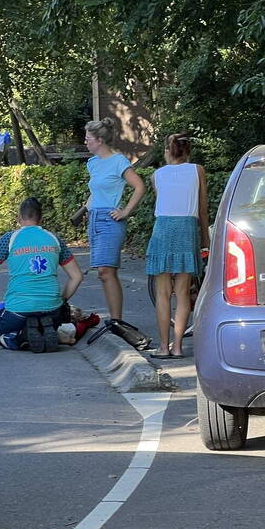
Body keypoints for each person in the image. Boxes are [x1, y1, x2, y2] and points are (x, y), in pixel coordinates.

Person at [0, 197, 84, 352]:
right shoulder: (54, 239)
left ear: (19, 218)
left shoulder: (9, 239)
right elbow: (77, 276)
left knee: (0, 332)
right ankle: (43, 328)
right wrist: (61, 300)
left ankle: (22, 337)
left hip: (18, 310)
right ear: (41, 218)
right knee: (49, 315)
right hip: (52, 309)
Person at [146, 133, 209, 359]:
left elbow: (162, 200)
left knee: (162, 293)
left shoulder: (156, 175)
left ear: (167, 151)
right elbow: (202, 208)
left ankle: (163, 347)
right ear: (188, 151)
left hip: (162, 228)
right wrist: (205, 240)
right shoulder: (197, 170)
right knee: (183, 293)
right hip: (187, 229)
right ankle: (178, 346)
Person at [82, 118, 146, 321]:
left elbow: (139, 186)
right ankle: (113, 319)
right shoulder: (92, 163)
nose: (86, 142)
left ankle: (117, 320)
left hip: (110, 219)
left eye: (88, 138)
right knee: (102, 272)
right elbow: (96, 191)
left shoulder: (118, 161)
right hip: (94, 218)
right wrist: (86, 208)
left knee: (106, 270)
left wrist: (125, 211)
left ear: (99, 140)